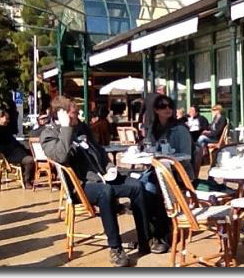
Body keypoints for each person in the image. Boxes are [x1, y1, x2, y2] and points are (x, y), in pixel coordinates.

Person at [40, 96, 170, 267]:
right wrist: (65, 128)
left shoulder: (82, 127)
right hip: (82, 186)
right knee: (105, 191)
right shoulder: (48, 134)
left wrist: (109, 167)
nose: (78, 116)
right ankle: (115, 248)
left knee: (137, 186)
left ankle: (146, 239)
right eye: (73, 114)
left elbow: (100, 151)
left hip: (103, 177)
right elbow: (61, 156)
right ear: (61, 115)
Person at [0, 110, 35, 189]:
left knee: (33, 154)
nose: (8, 121)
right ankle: (26, 181)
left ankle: (31, 178)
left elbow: (13, 141)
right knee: (29, 160)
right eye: (7, 118)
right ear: (0, 117)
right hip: (9, 155)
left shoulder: (5, 128)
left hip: (17, 151)